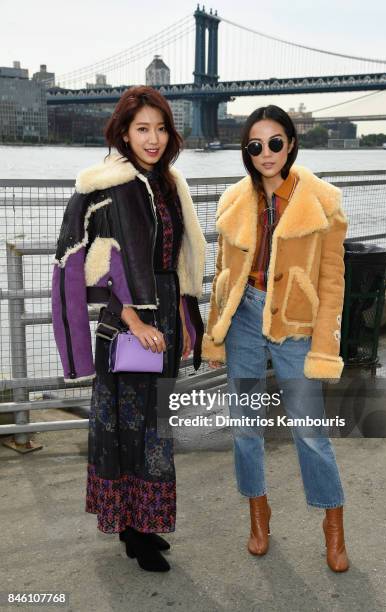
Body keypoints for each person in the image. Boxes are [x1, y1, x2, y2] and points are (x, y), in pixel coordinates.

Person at [52, 86, 206, 572]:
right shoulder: (102, 187)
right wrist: (136, 321)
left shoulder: (167, 184)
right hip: (127, 325)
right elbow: (89, 267)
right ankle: (130, 531)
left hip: (166, 317)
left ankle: (145, 522)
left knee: (155, 426)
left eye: (161, 128)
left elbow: (175, 261)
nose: (153, 138)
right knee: (123, 428)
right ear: (123, 132)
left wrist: (182, 321)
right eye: (143, 128)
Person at [202, 104, 349, 572]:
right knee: (246, 429)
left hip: (295, 325)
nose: (266, 153)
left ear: (291, 142)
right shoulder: (233, 201)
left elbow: (332, 280)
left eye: (275, 142)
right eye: (255, 145)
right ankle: (258, 515)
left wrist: (325, 346)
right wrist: (214, 335)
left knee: (309, 433)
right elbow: (224, 275)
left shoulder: (322, 200)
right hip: (243, 317)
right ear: (246, 151)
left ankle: (333, 526)